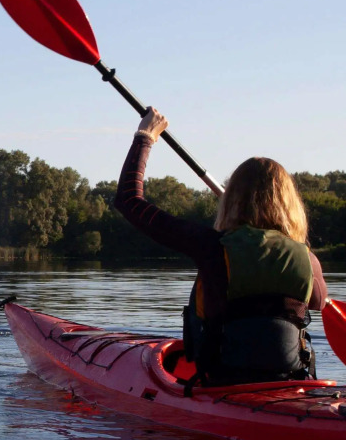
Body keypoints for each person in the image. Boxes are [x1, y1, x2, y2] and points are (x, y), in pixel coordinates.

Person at [115, 108, 326, 385]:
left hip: (222, 382)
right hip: (292, 382)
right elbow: (319, 302)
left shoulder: (211, 246)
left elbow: (129, 200)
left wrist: (145, 136)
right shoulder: (307, 259)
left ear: (231, 200)